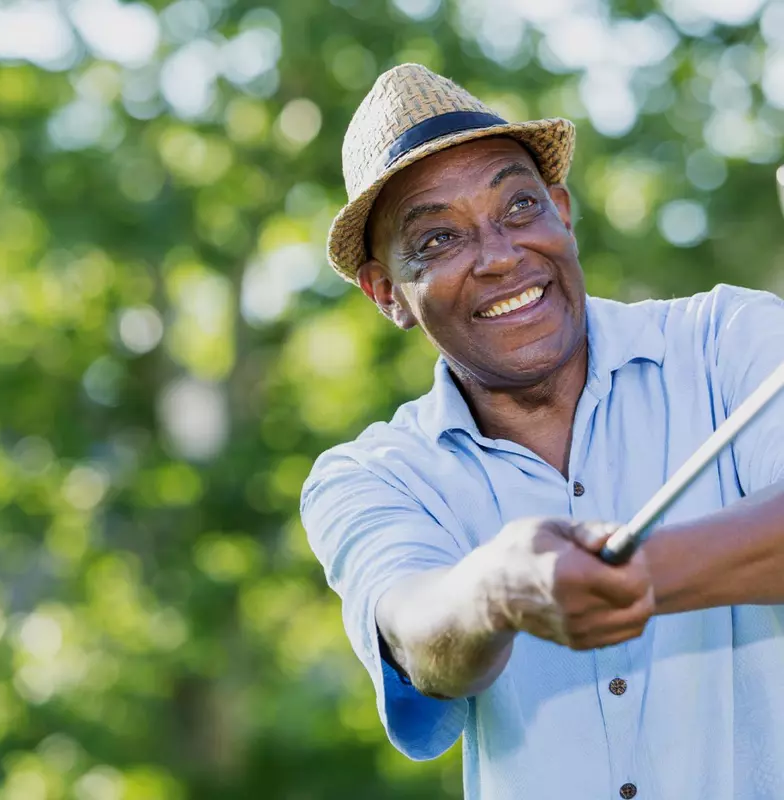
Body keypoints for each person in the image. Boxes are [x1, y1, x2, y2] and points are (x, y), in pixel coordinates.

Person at [300, 63, 784, 799]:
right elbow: (412, 629)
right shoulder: (372, 475)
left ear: (561, 209)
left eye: (519, 206)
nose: (499, 256)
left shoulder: (728, 338)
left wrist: (632, 576)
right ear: (385, 292)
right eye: (436, 241)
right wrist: (497, 591)